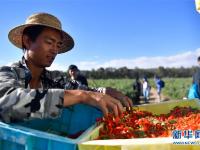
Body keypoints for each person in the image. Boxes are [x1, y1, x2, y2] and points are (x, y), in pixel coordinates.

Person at [0, 13, 132, 123]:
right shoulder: (9, 73)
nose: (54, 50)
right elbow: (6, 103)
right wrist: (82, 96)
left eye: (58, 45)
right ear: (27, 41)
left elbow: (84, 90)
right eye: (49, 42)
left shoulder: (54, 79)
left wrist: (104, 91)